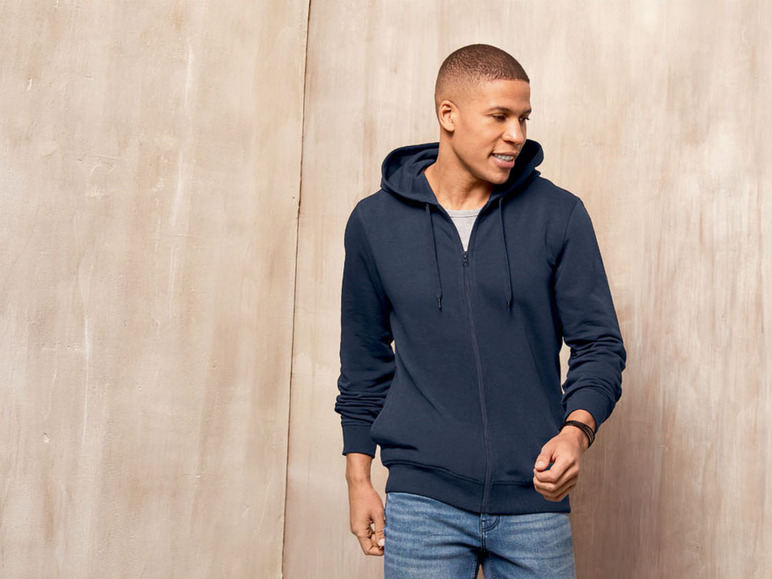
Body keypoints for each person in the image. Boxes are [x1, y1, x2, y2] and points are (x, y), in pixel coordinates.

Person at [335, 44, 626, 578]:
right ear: (448, 114)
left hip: (534, 498)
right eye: (499, 116)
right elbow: (362, 363)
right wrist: (359, 480)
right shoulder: (375, 224)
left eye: (524, 118)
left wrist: (575, 431)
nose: (517, 134)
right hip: (423, 501)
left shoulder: (558, 214)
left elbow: (599, 345)